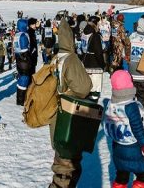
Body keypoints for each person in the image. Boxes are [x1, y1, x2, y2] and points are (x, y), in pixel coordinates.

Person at [49, 19, 92, 188]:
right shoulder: (70, 59)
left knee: (61, 162)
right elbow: (84, 87)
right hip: (69, 118)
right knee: (66, 170)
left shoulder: (54, 58)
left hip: (56, 117)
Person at [104, 70, 144, 188]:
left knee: (122, 176)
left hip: (117, 148)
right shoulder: (131, 106)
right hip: (132, 149)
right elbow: (138, 131)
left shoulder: (111, 104)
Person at [80, 15, 106, 100]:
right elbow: (98, 52)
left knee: (88, 87)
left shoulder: (84, 33)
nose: (99, 25)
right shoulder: (95, 35)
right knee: (95, 89)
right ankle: (92, 109)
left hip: (86, 62)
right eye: (98, 23)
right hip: (95, 64)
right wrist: (102, 64)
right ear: (95, 23)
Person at [14, 18, 33, 106]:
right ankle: (21, 100)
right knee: (24, 78)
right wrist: (29, 58)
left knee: (22, 77)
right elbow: (25, 49)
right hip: (24, 60)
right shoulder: (23, 35)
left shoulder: (18, 34)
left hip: (19, 59)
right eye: (26, 25)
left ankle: (20, 98)